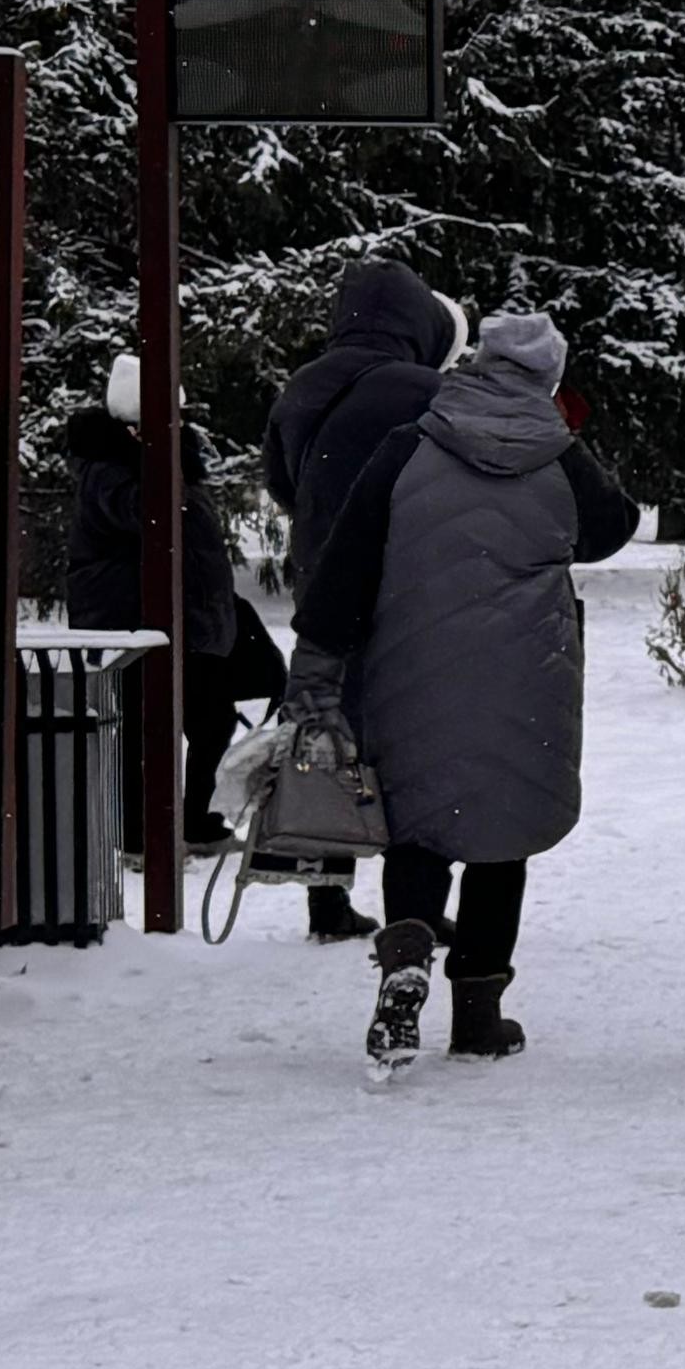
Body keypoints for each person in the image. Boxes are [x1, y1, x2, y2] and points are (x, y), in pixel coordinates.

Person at [296, 309, 639, 1071]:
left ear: (478, 363)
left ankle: (409, 952)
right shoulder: (561, 457)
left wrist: (317, 667)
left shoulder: (409, 444)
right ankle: (479, 1010)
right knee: (503, 828)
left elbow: (344, 564)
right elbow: (610, 528)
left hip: (413, 661)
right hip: (525, 672)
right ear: (549, 378)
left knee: (417, 823)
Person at [263, 261, 466, 939]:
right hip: (402, 588)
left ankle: (325, 896)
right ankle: (418, 905)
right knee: (412, 746)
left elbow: (283, 486)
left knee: (329, 737)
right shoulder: (422, 387)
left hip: (322, 584)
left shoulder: (301, 386)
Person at [65, 352, 283, 849]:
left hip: (180, 619)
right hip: (134, 623)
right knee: (146, 730)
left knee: (210, 720)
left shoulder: (173, 465)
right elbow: (150, 518)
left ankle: (194, 822)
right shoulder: (108, 470)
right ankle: (140, 832)